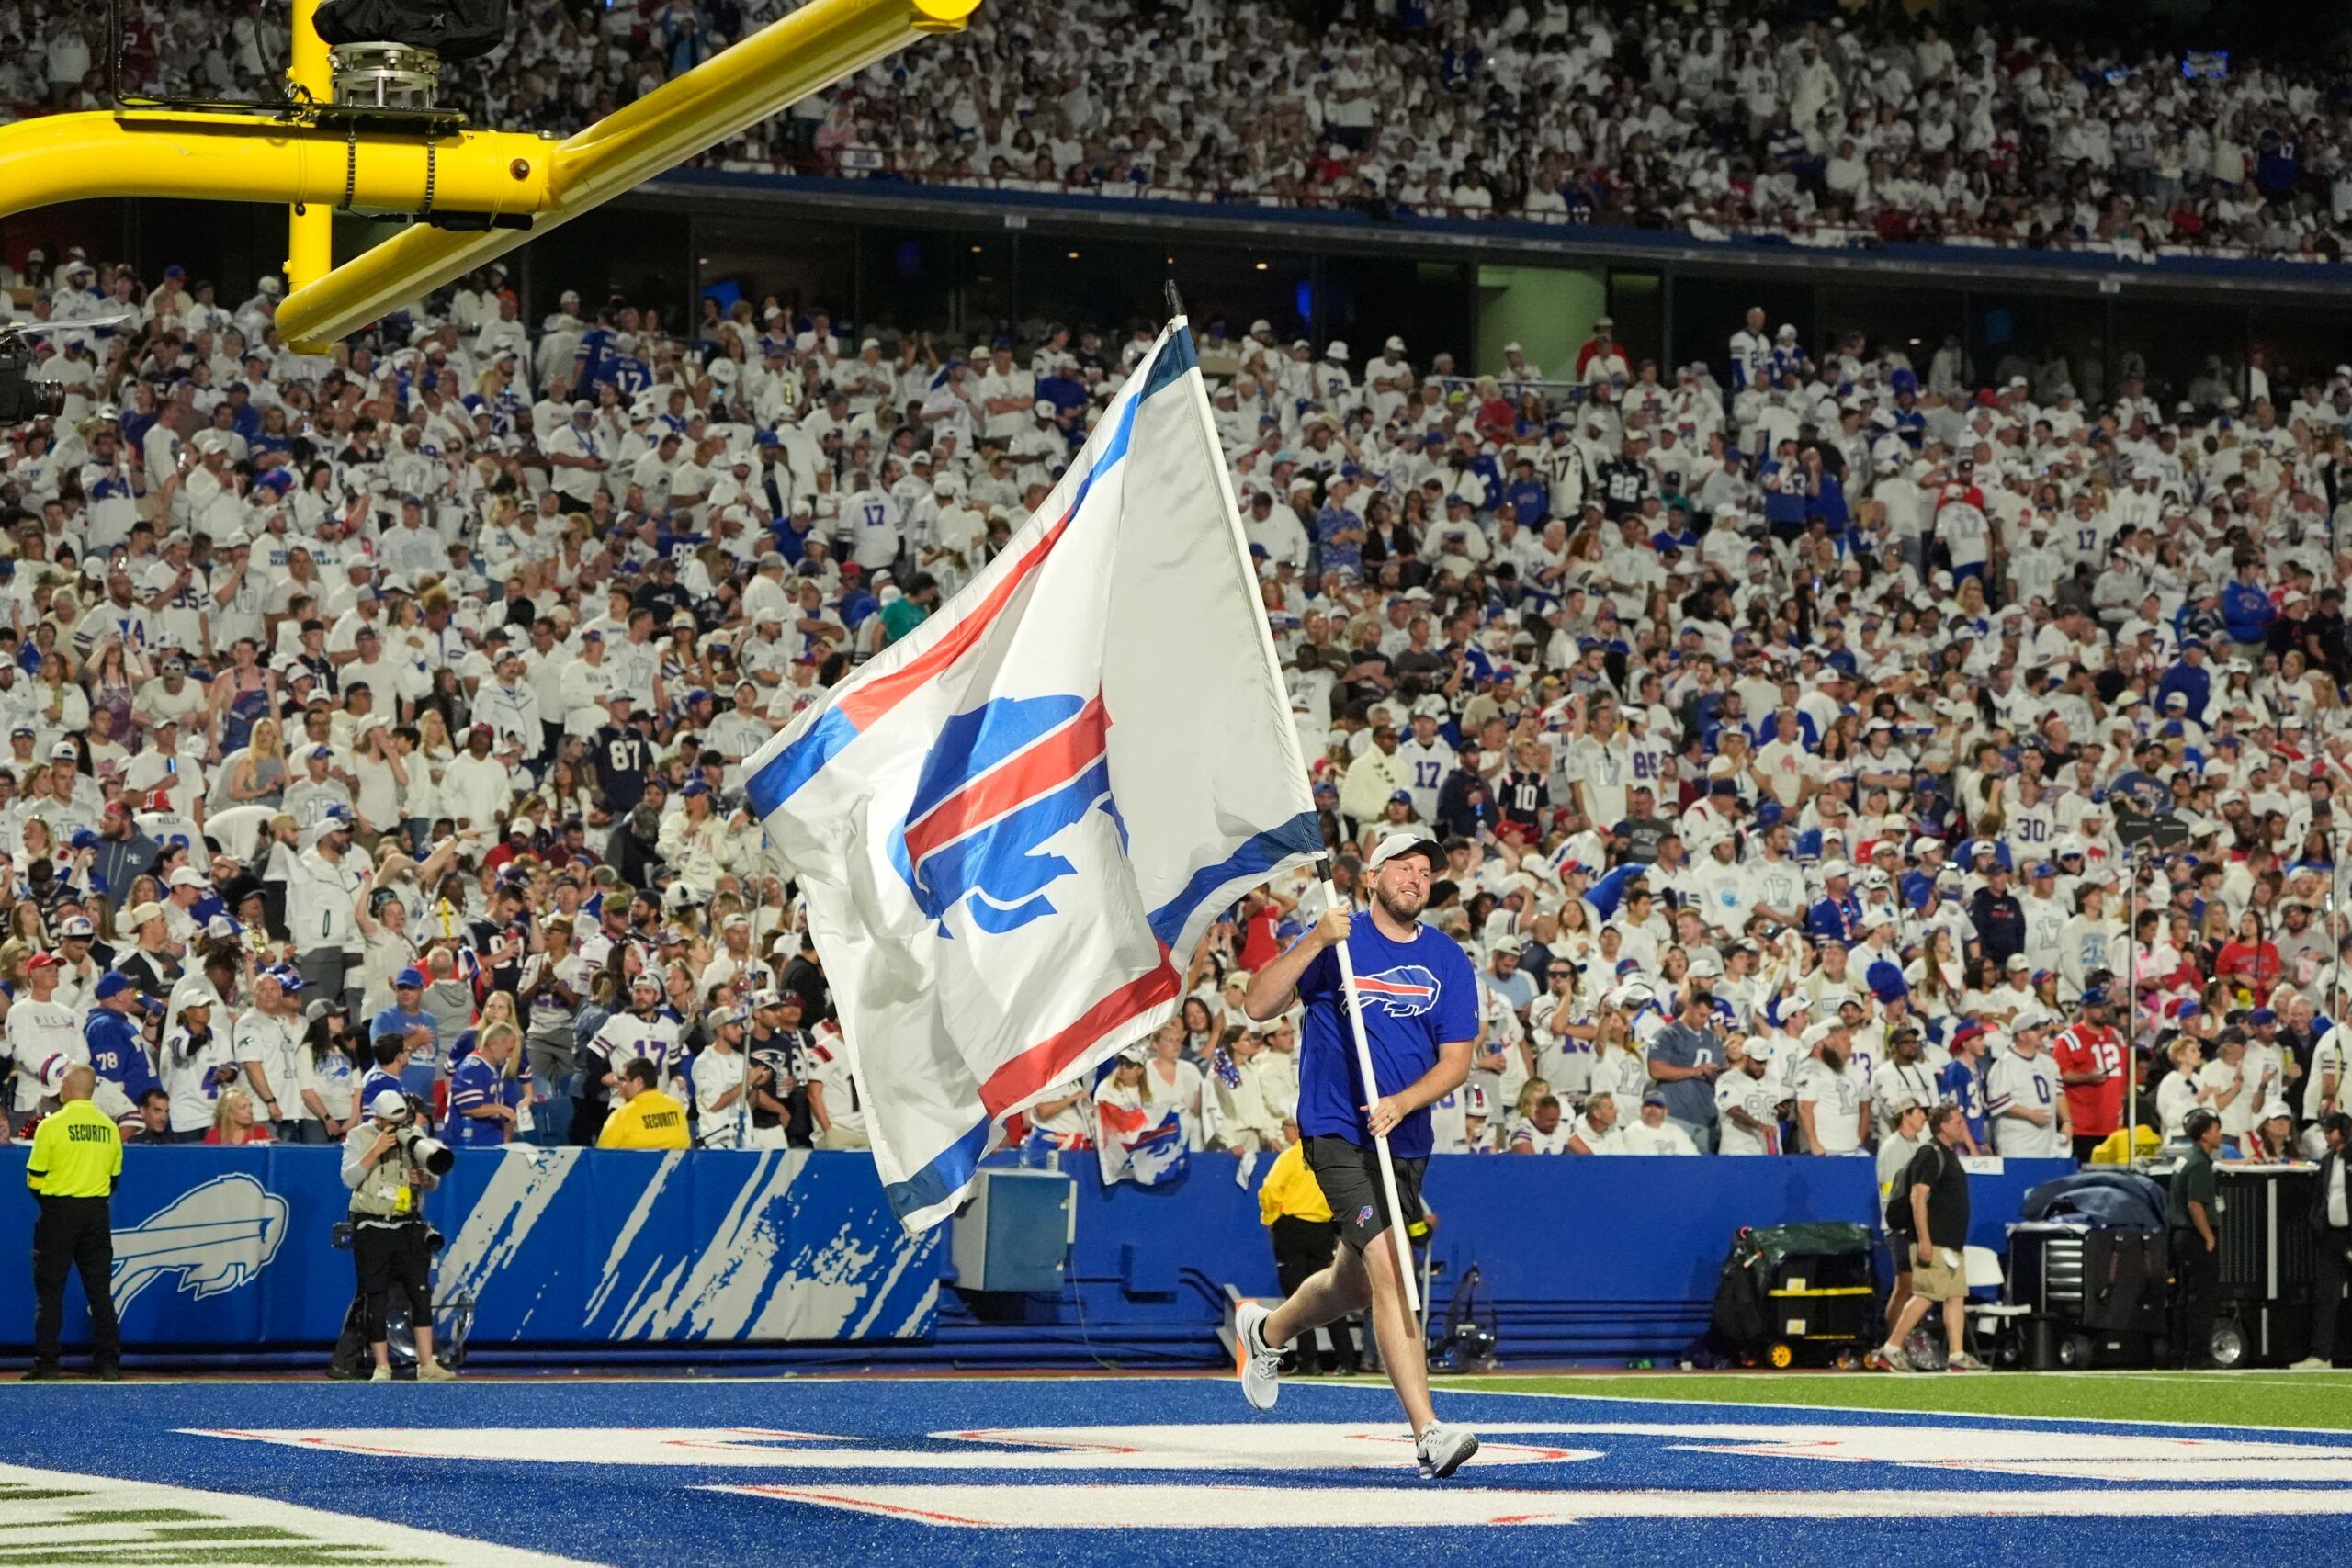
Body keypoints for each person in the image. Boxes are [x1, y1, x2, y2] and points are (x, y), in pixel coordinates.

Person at [1234, 831, 1480, 1479]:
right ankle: (1428, 1431)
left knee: (1353, 1282)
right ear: (1372, 876)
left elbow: (1457, 1061)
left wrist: (1403, 1100)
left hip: (1402, 1139)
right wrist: (1315, 938)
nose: (1416, 877)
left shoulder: (1447, 959)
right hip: (1337, 1129)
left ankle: (1267, 1332)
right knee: (1390, 1265)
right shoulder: (1337, 941)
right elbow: (1256, 1004)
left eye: (1426, 870)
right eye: (1404, 865)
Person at [339, 1089, 456, 1382]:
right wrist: (376, 1150)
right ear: (377, 1120)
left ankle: (426, 1363)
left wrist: (425, 1178)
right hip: (372, 1224)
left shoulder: (415, 1137)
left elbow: (434, 1181)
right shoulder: (358, 1136)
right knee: (376, 1295)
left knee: (420, 1293)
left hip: (408, 1223)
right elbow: (349, 1179)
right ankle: (382, 1366)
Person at [24, 1065, 122, 1381]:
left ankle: (48, 1362)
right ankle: (108, 1363)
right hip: (95, 1212)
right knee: (100, 1291)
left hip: (59, 1212)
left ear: (69, 1086)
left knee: (50, 1291)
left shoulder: (52, 1126)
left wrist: (54, 1203)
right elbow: (113, 1179)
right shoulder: (108, 1127)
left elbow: (34, 1179)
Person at [1869, 1103, 1983, 1373]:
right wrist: (1925, 1240)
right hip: (1936, 1240)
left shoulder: (1945, 1154)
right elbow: (1917, 1196)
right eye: (1958, 1122)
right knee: (1925, 1295)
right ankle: (1891, 1349)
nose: (1962, 1126)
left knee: (1954, 1295)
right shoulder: (1930, 1153)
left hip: (1951, 1242)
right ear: (1943, 1126)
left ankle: (1956, 1356)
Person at [1256, 1115, 1356, 1375]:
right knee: (1329, 1295)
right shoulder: (1328, 1157)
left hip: (1292, 1227)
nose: (1286, 1133)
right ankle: (1346, 1360)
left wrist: (1271, 1217)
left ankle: (1308, 1360)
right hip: (1323, 1230)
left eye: (1287, 1128)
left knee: (1298, 1297)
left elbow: (1270, 1189)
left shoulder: (1291, 1157)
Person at [2294, 1111, 2351, 1370]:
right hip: (2332, 1238)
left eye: (2331, 1130)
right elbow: (2322, 1196)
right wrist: (2318, 1224)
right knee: (2325, 1297)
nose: (2327, 1135)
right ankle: (2320, 1355)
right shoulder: (2329, 1160)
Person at [2169, 1107, 2225, 1369]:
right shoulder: (2200, 1164)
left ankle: (2179, 1351)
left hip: (2179, 1236)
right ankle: (2198, 1354)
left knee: (2184, 1296)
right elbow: (2195, 1204)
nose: (2219, 1133)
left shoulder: (2185, 1159)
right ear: (2205, 1134)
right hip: (2195, 1236)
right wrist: (2208, 1237)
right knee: (2202, 1298)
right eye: (2215, 1129)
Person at [598, 1057, 691, 1149]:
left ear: (639, 1081)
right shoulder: (676, 1107)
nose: (620, 1084)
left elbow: (600, 1157)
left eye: (624, 1080)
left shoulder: (622, 1116)